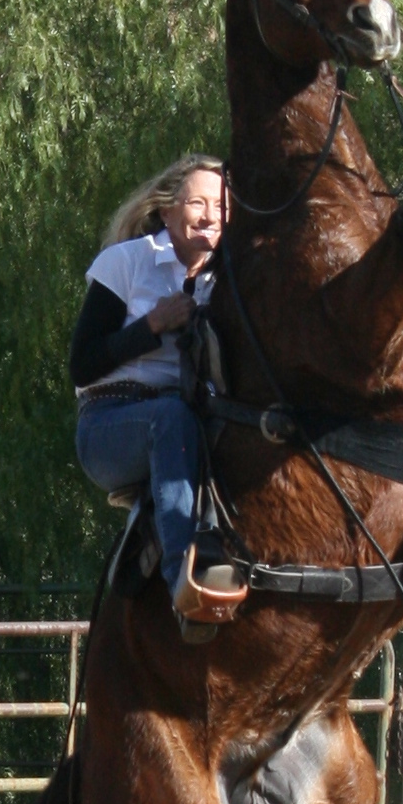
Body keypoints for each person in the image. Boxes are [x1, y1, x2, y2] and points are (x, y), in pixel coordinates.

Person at [70, 154, 247, 636]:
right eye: (198, 203)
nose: (211, 216)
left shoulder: (228, 281)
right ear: (168, 211)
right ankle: (183, 581)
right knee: (169, 417)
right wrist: (153, 325)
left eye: (222, 207)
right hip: (109, 424)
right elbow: (81, 363)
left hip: (186, 421)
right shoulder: (127, 263)